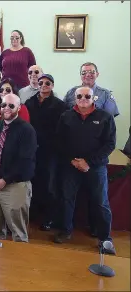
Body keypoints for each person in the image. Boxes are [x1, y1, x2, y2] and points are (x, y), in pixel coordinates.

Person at [53, 86, 116, 255]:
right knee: (67, 198)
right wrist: (72, 160)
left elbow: (109, 144)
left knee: (100, 202)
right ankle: (65, 231)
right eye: (79, 96)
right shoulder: (66, 116)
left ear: (93, 98)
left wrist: (88, 162)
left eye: (87, 96)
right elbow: (59, 141)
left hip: (95, 167)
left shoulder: (105, 117)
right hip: (71, 166)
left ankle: (105, 239)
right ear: (75, 98)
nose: (83, 98)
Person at [0, 94, 37, 242]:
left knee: (18, 231)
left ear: (19, 108)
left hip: (15, 186)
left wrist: (5, 180)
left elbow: (25, 162)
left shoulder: (27, 130)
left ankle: (17, 264)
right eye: (4, 105)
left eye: (11, 106)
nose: (6, 108)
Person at [24, 74, 67, 231]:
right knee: (33, 181)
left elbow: (62, 129)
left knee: (49, 184)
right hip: (31, 149)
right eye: (41, 83)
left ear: (52, 85)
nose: (43, 85)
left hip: (50, 150)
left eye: (47, 83)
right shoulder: (29, 102)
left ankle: (50, 217)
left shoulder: (60, 105)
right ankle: (34, 213)